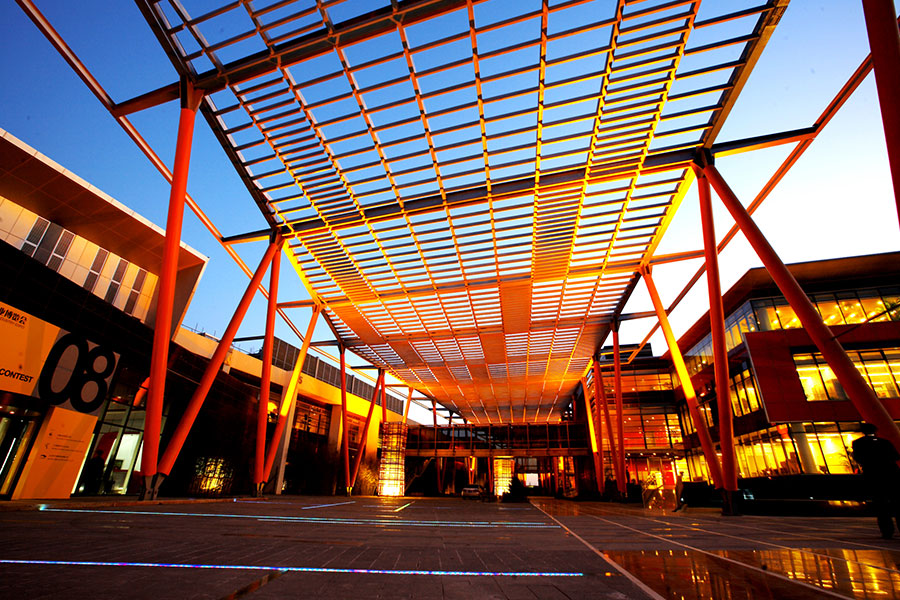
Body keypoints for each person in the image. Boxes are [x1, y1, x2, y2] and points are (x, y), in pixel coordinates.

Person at [852, 423, 900, 539]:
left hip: (873, 476)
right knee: (896, 503)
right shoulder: (884, 442)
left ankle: (887, 531)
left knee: (881, 505)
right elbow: (895, 456)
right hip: (891, 475)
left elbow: (858, 458)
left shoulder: (858, 443)